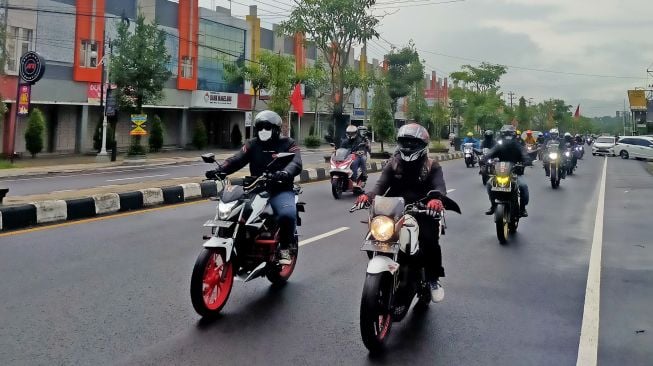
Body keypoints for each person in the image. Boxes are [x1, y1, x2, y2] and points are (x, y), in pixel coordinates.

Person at [353, 123, 448, 303]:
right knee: (373, 237)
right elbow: (381, 185)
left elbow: (439, 187)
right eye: (405, 142)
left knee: (429, 241)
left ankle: (433, 279)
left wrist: (436, 200)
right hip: (394, 210)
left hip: (423, 211)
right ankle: (386, 271)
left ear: (422, 145)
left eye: (412, 143)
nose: (408, 147)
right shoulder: (394, 163)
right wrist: (368, 196)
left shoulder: (431, 165)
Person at [205, 110, 302, 265]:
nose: (263, 131)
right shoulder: (252, 144)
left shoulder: (288, 144)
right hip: (255, 188)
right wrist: (219, 170)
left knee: (287, 215)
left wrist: (284, 173)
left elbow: (296, 163)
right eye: (260, 127)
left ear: (276, 129)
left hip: (280, 189)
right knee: (236, 212)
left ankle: (285, 248)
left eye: (267, 127)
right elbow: (236, 159)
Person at [484, 125, 531, 217]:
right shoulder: (499, 145)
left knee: (523, 186)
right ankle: (493, 205)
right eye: (505, 134)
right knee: (489, 184)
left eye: (509, 134)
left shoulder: (517, 144)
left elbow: (524, 153)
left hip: (515, 172)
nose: (507, 136)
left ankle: (522, 208)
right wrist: (485, 158)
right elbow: (491, 152)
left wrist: (526, 160)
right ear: (502, 135)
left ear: (513, 135)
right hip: (501, 171)